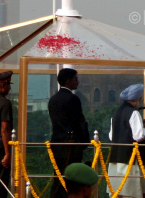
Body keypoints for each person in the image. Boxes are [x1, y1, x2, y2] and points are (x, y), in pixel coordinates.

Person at [107, 84, 145, 198]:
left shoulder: (116, 112)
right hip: (129, 158)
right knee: (129, 194)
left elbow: (111, 136)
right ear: (137, 99)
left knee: (116, 192)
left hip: (115, 159)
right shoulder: (134, 113)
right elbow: (138, 135)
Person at [49, 68, 90, 198]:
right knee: (71, 177)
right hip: (71, 145)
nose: (77, 82)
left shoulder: (53, 99)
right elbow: (79, 122)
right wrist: (85, 141)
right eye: (75, 79)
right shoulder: (72, 99)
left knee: (58, 176)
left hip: (57, 144)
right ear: (68, 82)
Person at [0, 71, 13, 198]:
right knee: (0, 182)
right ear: (2, 86)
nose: (9, 88)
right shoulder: (4, 103)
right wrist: (8, 153)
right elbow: (5, 129)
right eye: (8, 85)